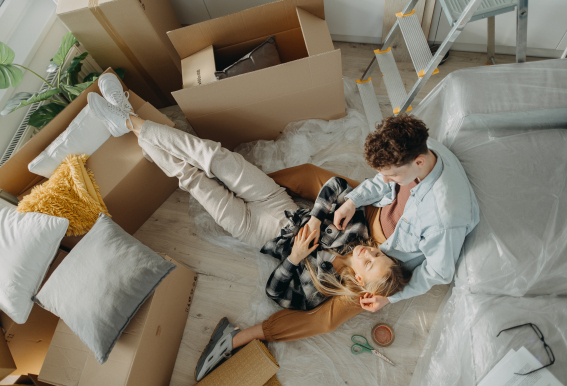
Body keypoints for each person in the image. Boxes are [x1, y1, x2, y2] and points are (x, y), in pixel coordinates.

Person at [86, 73, 412, 381]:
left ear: (359, 279)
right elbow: (336, 186)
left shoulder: (324, 287)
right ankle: (129, 120)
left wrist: (296, 257)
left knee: (191, 178)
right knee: (212, 155)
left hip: (253, 230)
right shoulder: (356, 231)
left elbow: (276, 292)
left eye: (369, 261)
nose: (368, 250)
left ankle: (125, 119)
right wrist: (315, 217)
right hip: (275, 200)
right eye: (377, 252)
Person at [333, 114, 480, 314]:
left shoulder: (443, 219)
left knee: (338, 303)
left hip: (385, 254)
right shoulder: (416, 147)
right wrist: (352, 201)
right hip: (378, 207)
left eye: (392, 175)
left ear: (419, 162)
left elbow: (439, 272)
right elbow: (381, 182)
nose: (385, 180)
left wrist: (390, 298)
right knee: (312, 177)